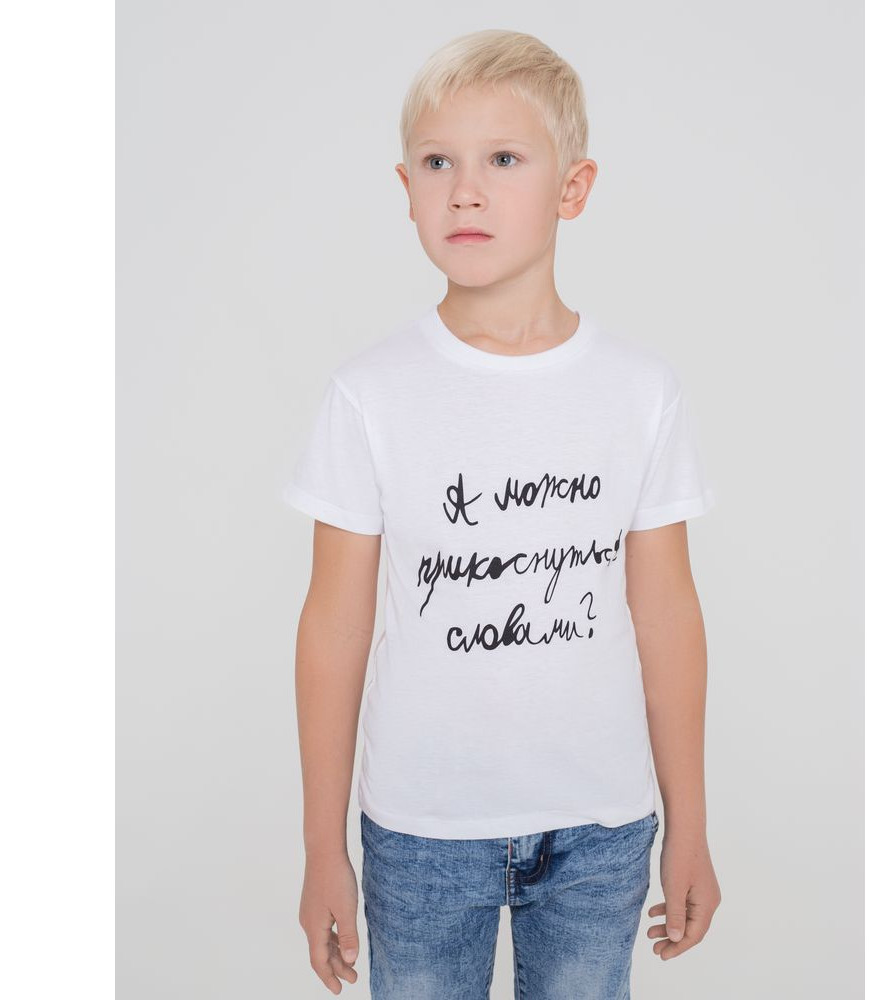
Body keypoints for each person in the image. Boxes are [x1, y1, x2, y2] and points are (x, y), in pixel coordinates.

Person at [282, 28, 722, 999]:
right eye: (438, 162)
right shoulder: (370, 395)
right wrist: (321, 845)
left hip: (601, 827)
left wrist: (689, 822)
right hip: (420, 830)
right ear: (406, 188)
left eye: (504, 160)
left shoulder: (639, 391)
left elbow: (667, 616)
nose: (466, 191)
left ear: (574, 187)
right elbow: (334, 627)